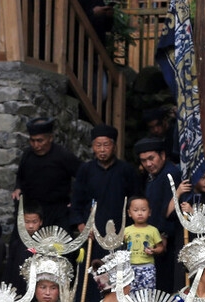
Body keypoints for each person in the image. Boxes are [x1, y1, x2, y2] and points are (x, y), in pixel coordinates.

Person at [11, 116, 82, 231]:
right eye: (32, 141)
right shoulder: (27, 155)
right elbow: (20, 177)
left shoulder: (63, 155)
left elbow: (84, 176)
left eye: (40, 141)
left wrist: (75, 200)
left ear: (50, 138)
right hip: (33, 212)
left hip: (58, 211)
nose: (36, 145)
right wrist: (18, 188)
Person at [69, 123, 139, 240]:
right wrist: (81, 224)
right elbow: (77, 200)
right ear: (93, 147)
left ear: (114, 146)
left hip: (120, 228)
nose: (102, 150)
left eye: (106, 145)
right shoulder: (85, 170)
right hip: (92, 229)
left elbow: (136, 199)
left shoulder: (126, 170)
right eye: (98, 145)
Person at [133, 137, 183, 292]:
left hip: (166, 241)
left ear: (162, 155)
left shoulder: (171, 174)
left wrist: (163, 233)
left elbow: (171, 206)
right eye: (143, 160)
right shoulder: (152, 176)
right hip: (153, 239)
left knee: (164, 286)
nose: (148, 164)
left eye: (151, 158)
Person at [124, 196, 164, 292]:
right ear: (129, 213)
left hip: (147, 267)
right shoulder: (126, 230)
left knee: (147, 294)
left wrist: (154, 250)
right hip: (130, 267)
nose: (140, 213)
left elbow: (161, 247)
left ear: (149, 212)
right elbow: (119, 245)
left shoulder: (153, 230)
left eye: (143, 210)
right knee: (130, 294)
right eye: (135, 210)